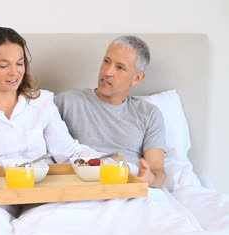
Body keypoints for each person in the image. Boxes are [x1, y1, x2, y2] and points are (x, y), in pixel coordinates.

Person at [0, 27, 105, 193]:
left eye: (19, 63)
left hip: (38, 190)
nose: (14, 73)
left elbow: (69, 152)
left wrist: (110, 162)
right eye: (3, 65)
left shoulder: (42, 102)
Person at [54, 35, 166, 188]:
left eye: (120, 67)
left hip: (126, 189)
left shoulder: (148, 114)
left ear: (137, 78)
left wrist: (149, 178)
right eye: (106, 61)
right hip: (79, 189)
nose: (107, 72)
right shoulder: (67, 102)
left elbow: (157, 171)